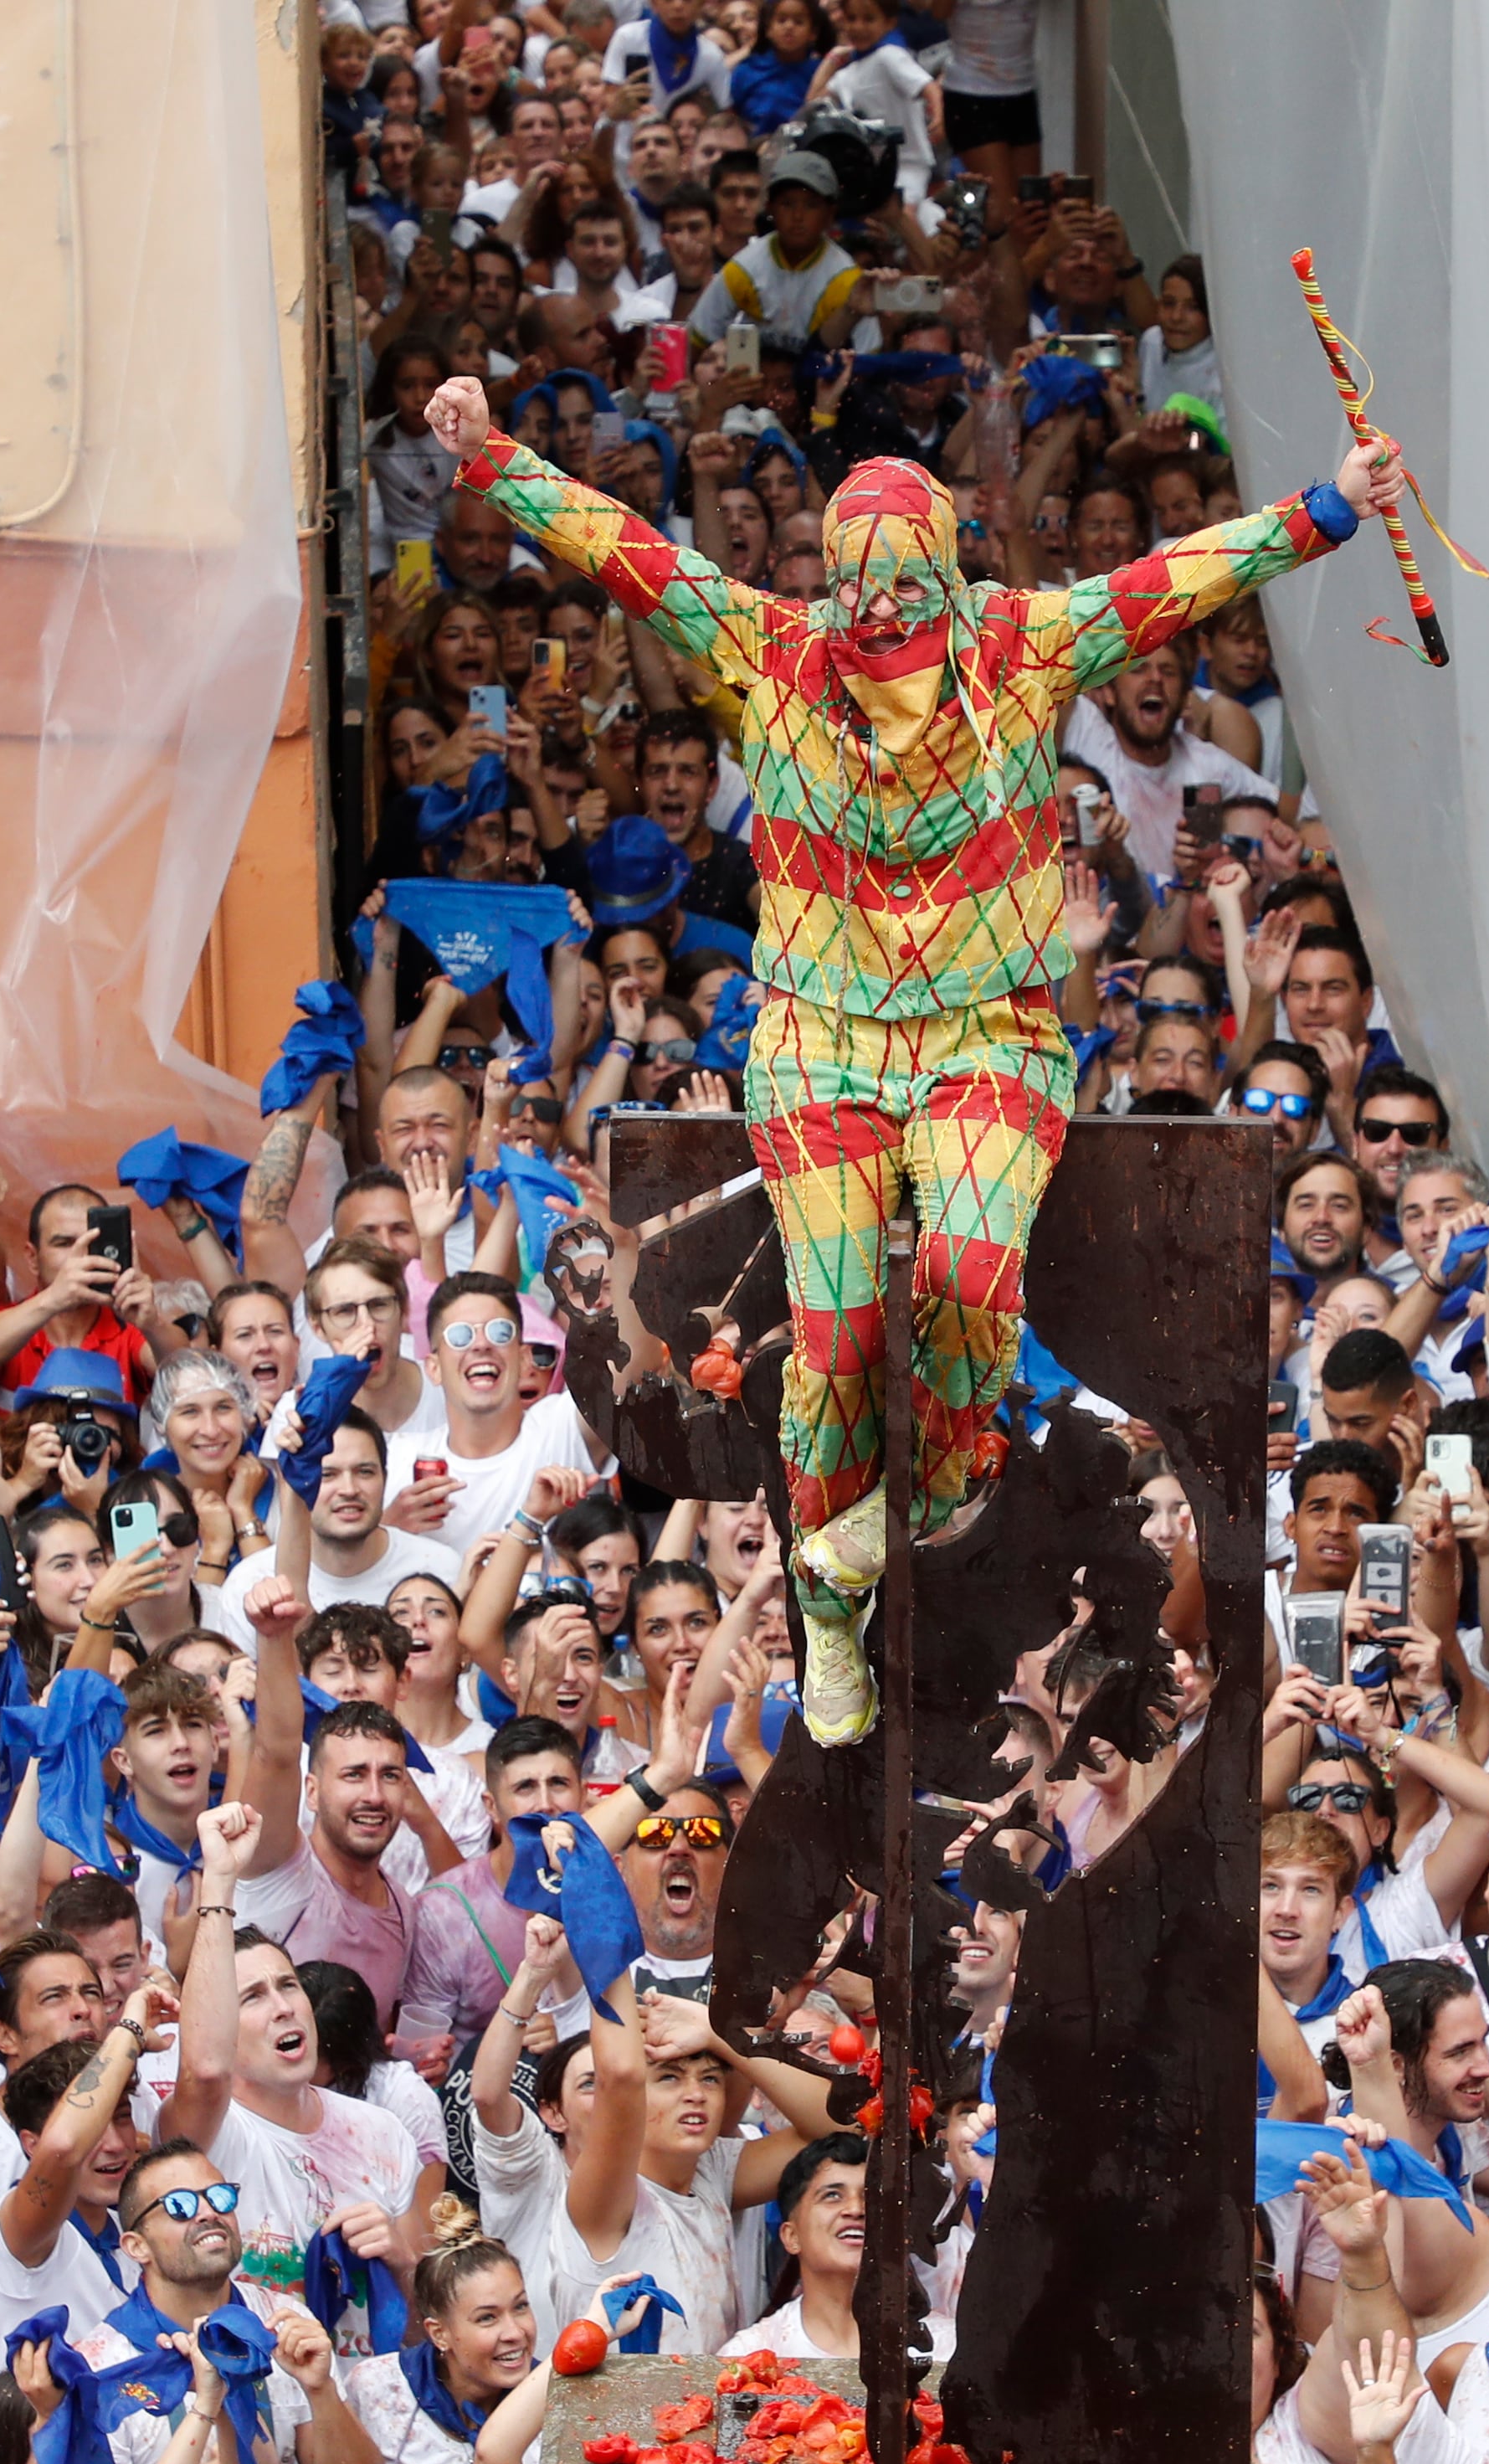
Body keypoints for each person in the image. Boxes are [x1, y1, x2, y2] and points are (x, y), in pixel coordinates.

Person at [419, 353, 1402, 1739]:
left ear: (948, 571)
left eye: (901, 578)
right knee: (827, 1331)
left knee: (961, 1270)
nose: (874, 606)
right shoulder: (773, 645)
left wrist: (1332, 506)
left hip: (987, 1033)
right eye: (852, 575)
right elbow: (628, 553)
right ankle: (828, 1599)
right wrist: (487, 458)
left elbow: (1180, 577)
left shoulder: (1026, 644)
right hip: (821, 1043)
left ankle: (907, 1511)